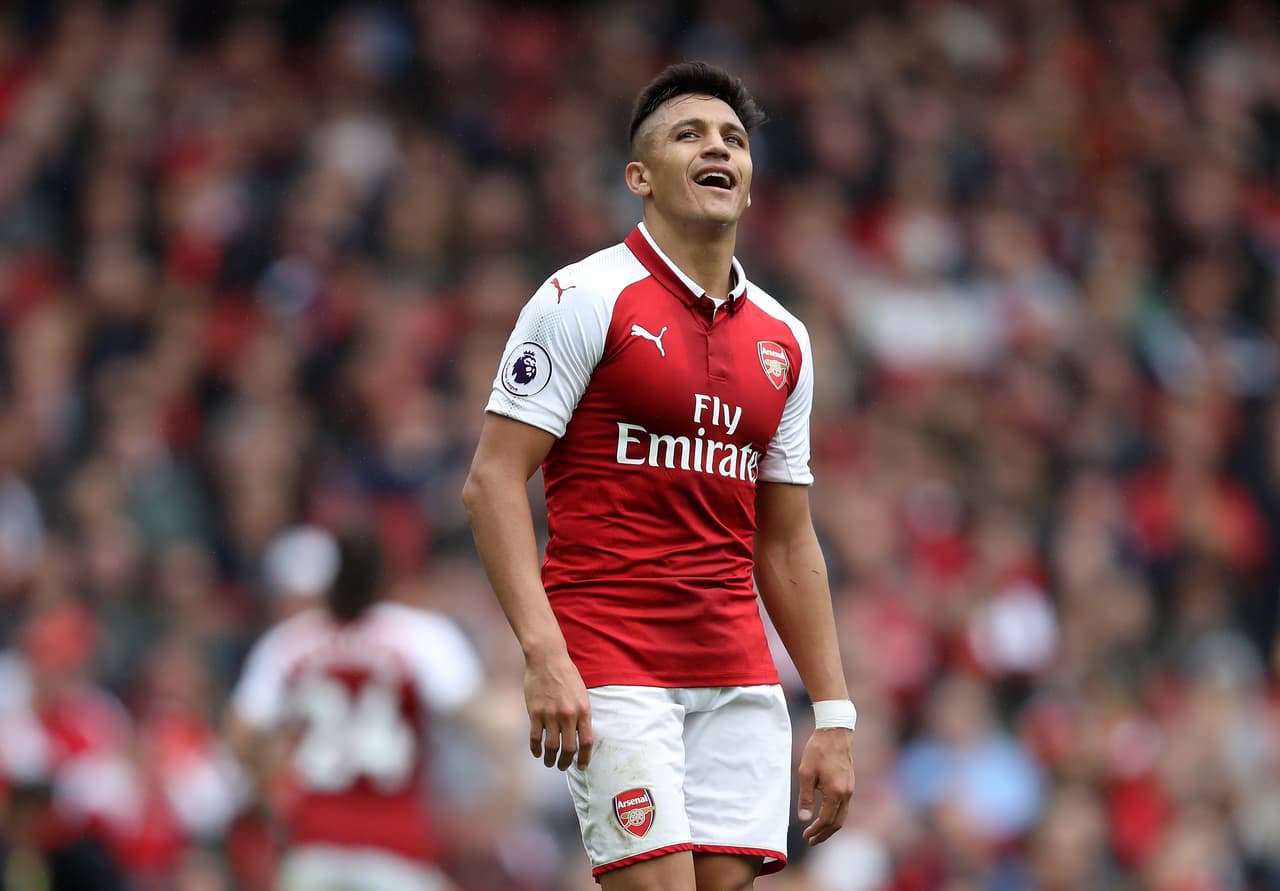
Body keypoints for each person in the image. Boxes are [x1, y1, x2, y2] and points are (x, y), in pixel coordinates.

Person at [462, 60, 856, 891]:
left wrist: (834, 713)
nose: (718, 148)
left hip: (737, 674)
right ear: (639, 177)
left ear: (748, 184)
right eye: (690, 134)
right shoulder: (583, 297)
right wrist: (544, 655)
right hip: (612, 658)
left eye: (734, 140)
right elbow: (493, 483)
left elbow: (786, 544)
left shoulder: (785, 340)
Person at [224, 527, 483, 891]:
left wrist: (273, 778)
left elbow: (241, 733)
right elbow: (473, 714)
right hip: (399, 845)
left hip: (312, 844)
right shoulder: (421, 637)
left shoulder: (290, 641)